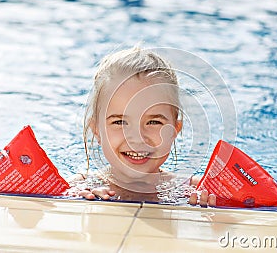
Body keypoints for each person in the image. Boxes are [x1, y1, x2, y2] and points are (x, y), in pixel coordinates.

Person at [68, 46, 216, 207]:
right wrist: (75, 201)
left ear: (175, 129)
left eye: (153, 122)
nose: (137, 138)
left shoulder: (195, 189)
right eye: (120, 122)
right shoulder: (82, 186)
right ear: (96, 130)